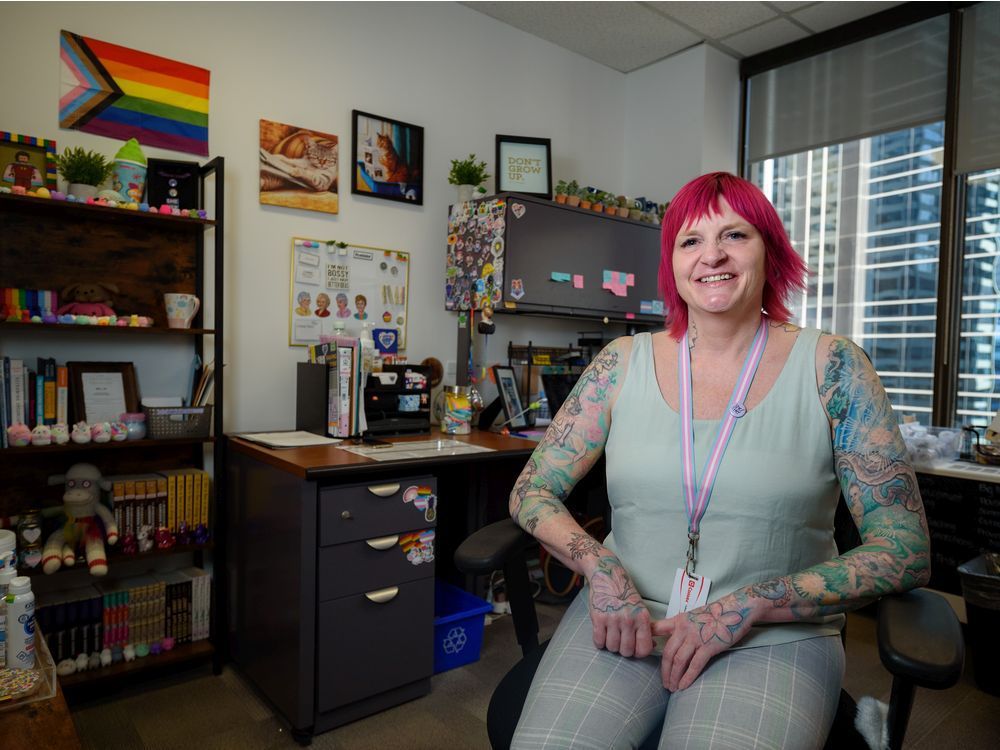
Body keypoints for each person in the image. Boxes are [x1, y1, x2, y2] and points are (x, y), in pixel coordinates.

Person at [508, 172, 930, 750]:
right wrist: (600, 570)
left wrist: (753, 602)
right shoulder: (620, 362)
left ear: (769, 252)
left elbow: (903, 551)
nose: (712, 255)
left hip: (770, 634)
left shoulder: (834, 367)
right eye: (690, 241)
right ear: (673, 264)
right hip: (624, 615)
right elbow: (532, 490)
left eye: (735, 235)